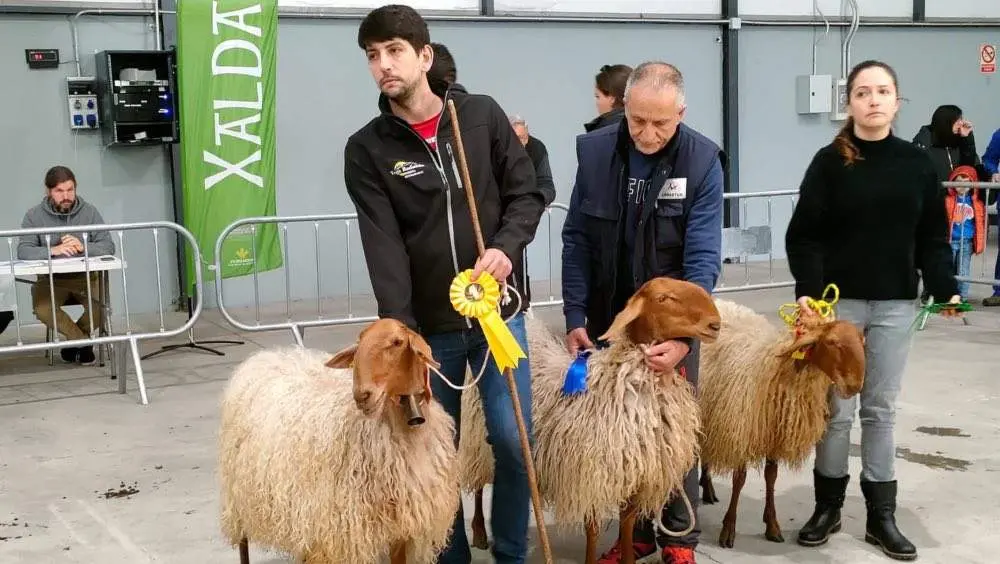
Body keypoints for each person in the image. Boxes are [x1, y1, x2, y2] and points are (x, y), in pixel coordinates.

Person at [343, 5, 546, 564]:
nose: (384, 65)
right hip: (431, 332)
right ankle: (448, 556)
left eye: (394, 51)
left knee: (513, 442)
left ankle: (510, 554)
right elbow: (382, 244)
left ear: (424, 57)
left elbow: (527, 193)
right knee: (437, 453)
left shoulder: (479, 117)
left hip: (499, 317)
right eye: (372, 56)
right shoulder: (368, 150)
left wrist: (506, 247)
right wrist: (401, 333)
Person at [785, 60, 961, 562]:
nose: (874, 100)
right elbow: (805, 235)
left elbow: (932, 234)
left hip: (897, 303)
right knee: (837, 410)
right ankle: (827, 507)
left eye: (883, 91)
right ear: (850, 104)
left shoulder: (917, 163)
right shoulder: (828, 162)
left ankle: (882, 516)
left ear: (897, 101)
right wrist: (809, 292)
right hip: (839, 310)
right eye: (863, 92)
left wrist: (943, 285)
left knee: (881, 410)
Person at [562, 61, 724, 564]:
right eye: (637, 122)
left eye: (661, 123)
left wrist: (683, 340)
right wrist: (575, 315)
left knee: (674, 432)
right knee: (619, 430)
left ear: (681, 112)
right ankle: (632, 532)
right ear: (623, 109)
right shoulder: (594, 154)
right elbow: (577, 239)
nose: (648, 134)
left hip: (667, 321)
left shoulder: (701, 162)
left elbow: (701, 260)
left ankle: (678, 537)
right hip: (612, 317)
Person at [17, 165, 115, 365]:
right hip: (51, 281)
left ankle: (72, 343)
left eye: (70, 190)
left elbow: (108, 245)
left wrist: (83, 246)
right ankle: (81, 342)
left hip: (87, 278)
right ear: (48, 191)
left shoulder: (90, 212)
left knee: (101, 310)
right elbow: (23, 250)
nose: (66, 196)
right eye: (60, 191)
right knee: (43, 309)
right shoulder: (33, 216)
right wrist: (53, 250)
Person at [943, 165, 986, 301]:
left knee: (963, 271)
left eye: (966, 182)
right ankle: (947, 295)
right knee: (947, 270)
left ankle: (962, 297)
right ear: (952, 183)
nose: (962, 185)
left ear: (972, 184)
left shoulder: (976, 203)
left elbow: (981, 223)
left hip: (966, 242)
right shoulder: (947, 201)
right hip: (949, 241)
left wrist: (978, 242)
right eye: (959, 182)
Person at [584, 63, 632, 132]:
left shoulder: (602, 135)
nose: (596, 103)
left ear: (612, 98)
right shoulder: (643, 129)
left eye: (598, 96)